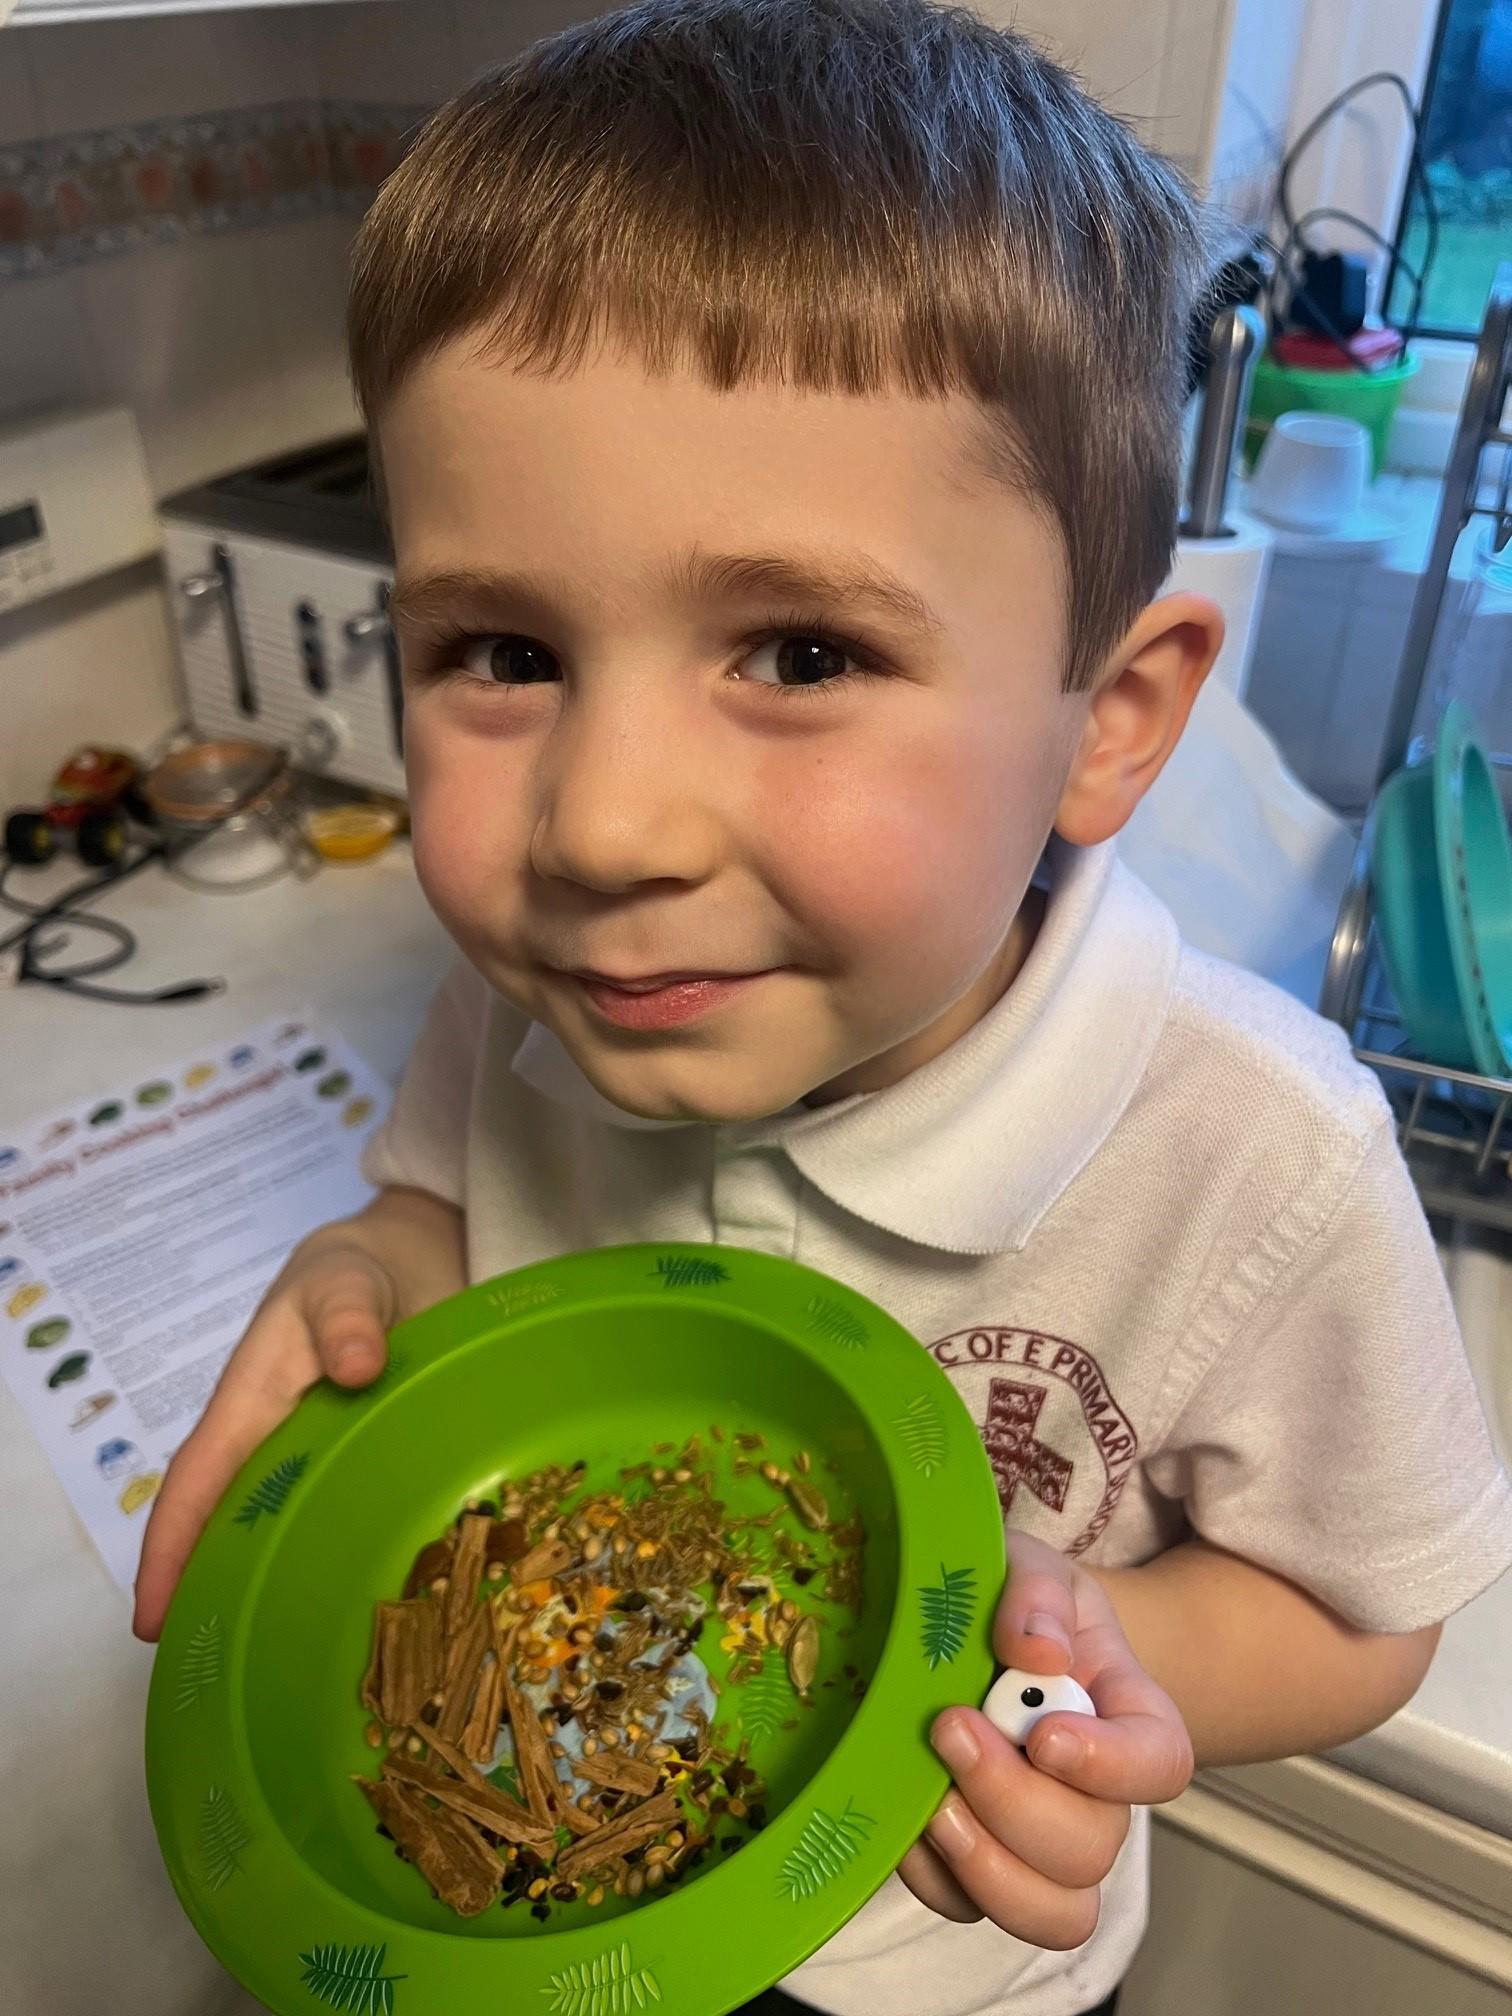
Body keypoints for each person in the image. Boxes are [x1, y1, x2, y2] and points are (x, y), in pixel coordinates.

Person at [134, 5, 1512, 2013]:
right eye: (501, 649)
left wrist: (1099, 1659)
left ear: (1107, 724)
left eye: (797, 653)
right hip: (548, 1903)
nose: (600, 828)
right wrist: (370, 1262)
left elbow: (1371, 1617)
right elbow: (439, 1208)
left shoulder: (1257, 1151)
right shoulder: (538, 999)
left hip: (940, 1969)